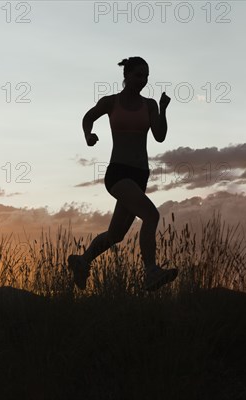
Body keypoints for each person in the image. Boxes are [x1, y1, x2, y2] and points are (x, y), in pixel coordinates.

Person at [68, 56, 178, 292]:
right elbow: (88, 117)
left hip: (140, 175)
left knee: (115, 235)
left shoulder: (150, 105)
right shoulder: (111, 102)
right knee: (151, 216)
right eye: (138, 75)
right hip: (118, 173)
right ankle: (150, 271)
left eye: (146, 76)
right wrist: (88, 136)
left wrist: (164, 109)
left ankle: (82, 261)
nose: (143, 80)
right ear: (126, 76)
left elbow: (159, 135)